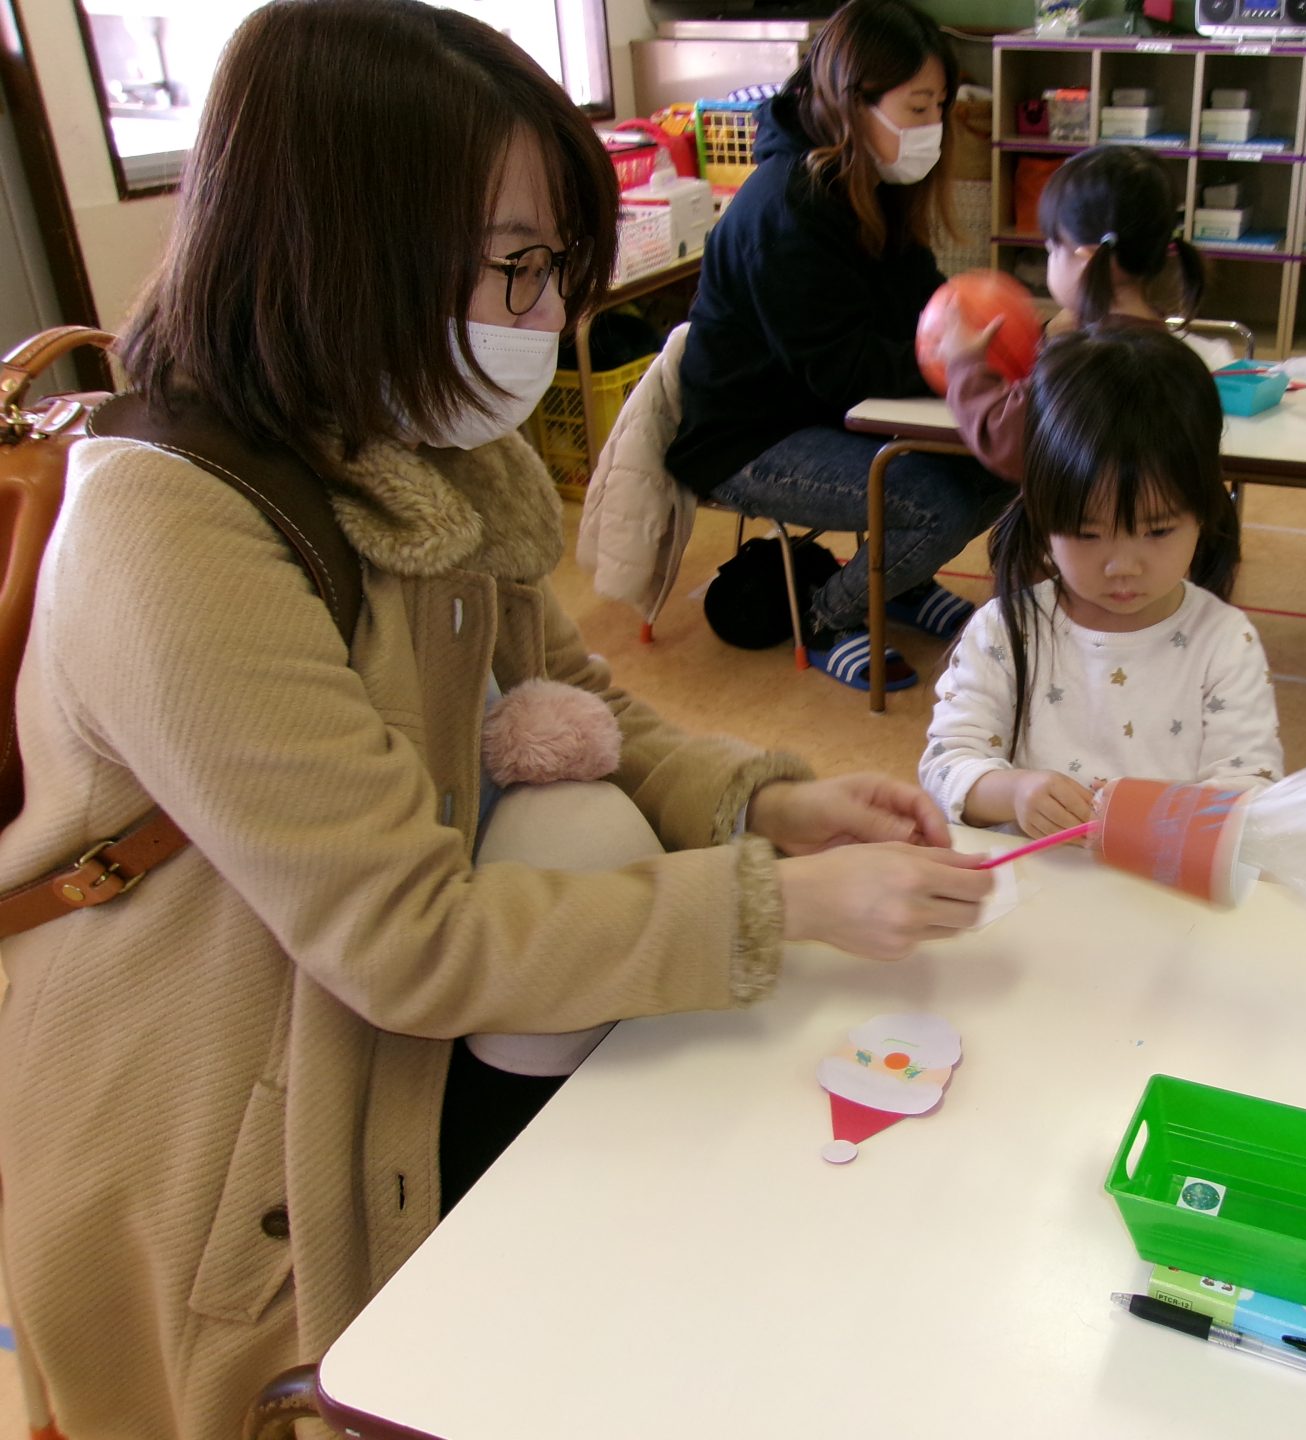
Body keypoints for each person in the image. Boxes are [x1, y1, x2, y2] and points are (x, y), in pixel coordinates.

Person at [0, 4, 991, 1435]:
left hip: (368, 1021)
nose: (546, 321)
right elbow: (408, 935)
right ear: (346, 244)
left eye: (556, 272)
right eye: (517, 268)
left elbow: (573, 705)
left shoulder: (418, 450)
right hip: (227, 1133)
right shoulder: (172, 532)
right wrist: (783, 903)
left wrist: (770, 805)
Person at [665, 0, 1006, 692]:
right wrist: (955, 362)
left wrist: (984, 340)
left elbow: (924, 308)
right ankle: (829, 616)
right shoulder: (785, 205)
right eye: (918, 107)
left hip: (826, 411)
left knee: (1003, 464)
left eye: (940, 106)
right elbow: (840, 368)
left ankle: (898, 581)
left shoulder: (874, 182)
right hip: (750, 440)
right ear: (853, 103)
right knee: (937, 505)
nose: (934, 126)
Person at [919, 327, 1285, 839]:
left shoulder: (1224, 641)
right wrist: (1015, 792)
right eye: (1087, 534)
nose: (1122, 566)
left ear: (1204, 512)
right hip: (1031, 877)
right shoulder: (1004, 631)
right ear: (1044, 517)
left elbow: (1253, 794)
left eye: (1157, 531)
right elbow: (945, 766)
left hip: (1160, 882)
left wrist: (1155, 819)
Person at [933, 143, 1210, 482]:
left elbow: (1005, 440)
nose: (1049, 259)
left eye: (1052, 248)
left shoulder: (1084, 365)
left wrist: (965, 364)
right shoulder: (1165, 349)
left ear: (1086, 258)